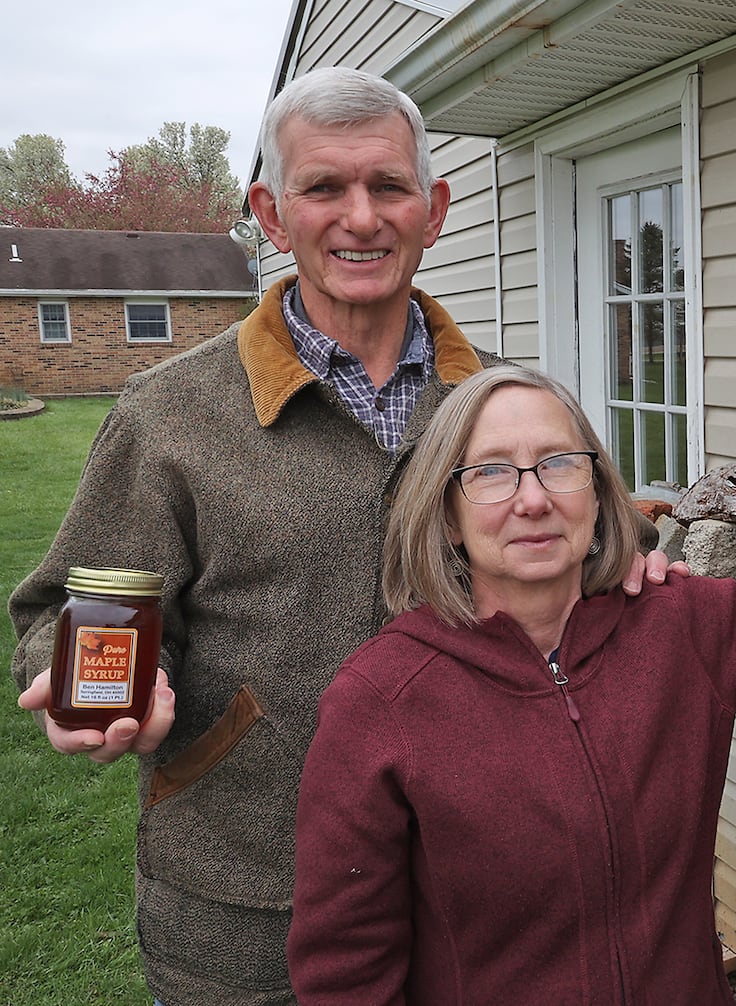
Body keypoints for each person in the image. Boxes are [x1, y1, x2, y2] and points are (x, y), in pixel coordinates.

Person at [8, 67, 674, 1005]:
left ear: (434, 209)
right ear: (272, 215)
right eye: (324, 188)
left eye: (388, 186)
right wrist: (106, 676)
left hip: (477, 902)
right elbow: (72, 606)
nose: (360, 217)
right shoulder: (172, 417)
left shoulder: (501, 406)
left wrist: (634, 560)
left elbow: (599, 550)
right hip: (246, 914)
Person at [286, 365, 736, 1003]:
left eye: (558, 465)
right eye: (493, 473)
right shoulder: (382, 702)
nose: (532, 500)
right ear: (446, 513)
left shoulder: (676, 626)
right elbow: (346, 973)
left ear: (596, 493)